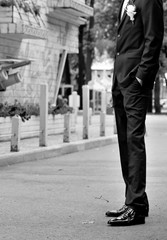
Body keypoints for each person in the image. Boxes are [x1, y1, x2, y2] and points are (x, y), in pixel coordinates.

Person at [107, 0, 163, 226]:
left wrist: (142, 76)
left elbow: (154, 38)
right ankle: (134, 199)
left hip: (135, 81)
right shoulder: (125, 1)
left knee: (134, 139)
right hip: (120, 79)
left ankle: (136, 207)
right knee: (124, 139)